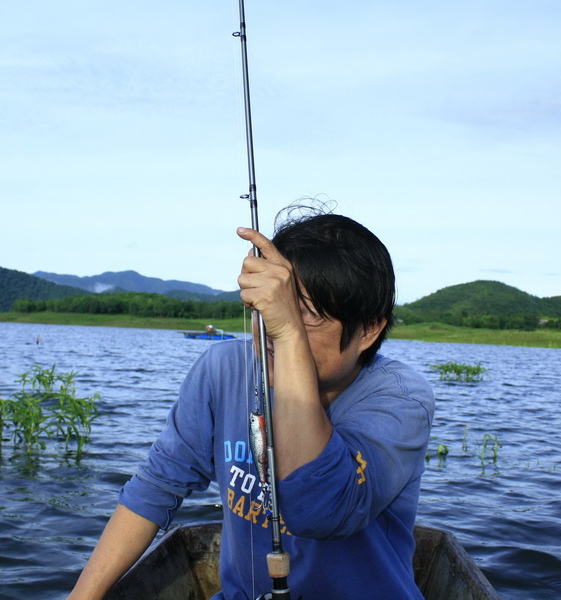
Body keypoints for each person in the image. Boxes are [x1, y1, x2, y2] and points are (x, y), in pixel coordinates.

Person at [68, 209, 435, 600]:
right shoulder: (223, 369)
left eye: (303, 315)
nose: (273, 331)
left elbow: (318, 511)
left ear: (369, 330)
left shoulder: (400, 399)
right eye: (271, 308)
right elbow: (157, 485)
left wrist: (290, 336)